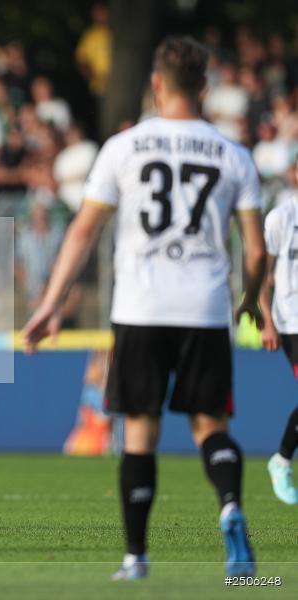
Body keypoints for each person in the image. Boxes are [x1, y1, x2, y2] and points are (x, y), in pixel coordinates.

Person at [22, 37, 265, 580]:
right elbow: (256, 250)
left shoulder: (124, 147)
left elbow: (84, 229)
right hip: (204, 307)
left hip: (140, 306)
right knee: (210, 424)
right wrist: (253, 300)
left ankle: (136, 558)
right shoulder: (233, 154)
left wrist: (49, 302)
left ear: (157, 83)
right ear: (203, 88)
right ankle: (229, 506)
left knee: (140, 429)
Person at [259, 160, 298, 506]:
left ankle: (282, 459)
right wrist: (267, 320)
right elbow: (260, 271)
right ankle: (282, 460)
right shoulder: (281, 217)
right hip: (292, 321)